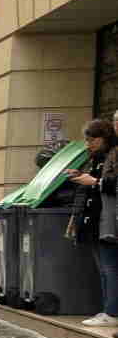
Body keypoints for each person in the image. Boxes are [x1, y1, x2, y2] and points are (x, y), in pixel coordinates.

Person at [67, 119, 118, 326]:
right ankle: (108, 310)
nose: (89, 144)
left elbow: (112, 185)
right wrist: (80, 176)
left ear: (104, 137)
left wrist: (94, 182)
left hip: (109, 220)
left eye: (92, 140)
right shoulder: (97, 157)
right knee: (103, 267)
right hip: (95, 219)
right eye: (87, 140)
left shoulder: (113, 155)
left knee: (110, 267)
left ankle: (112, 313)